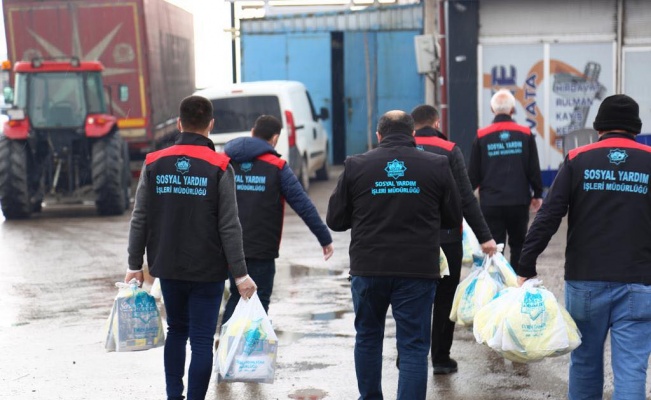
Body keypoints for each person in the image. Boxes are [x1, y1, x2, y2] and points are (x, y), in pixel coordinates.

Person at [518, 94, 651, 400]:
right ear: (635, 127)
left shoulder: (579, 159)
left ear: (599, 126)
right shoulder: (648, 160)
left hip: (585, 280)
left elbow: (549, 214)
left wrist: (526, 263)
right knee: (632, 368)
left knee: (585, 362)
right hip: (639, 280)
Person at [125, 95, 257, 400]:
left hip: (167, 265)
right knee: (200, 339)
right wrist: (240, 275)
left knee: (176, 330)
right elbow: (229, 225)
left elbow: (140, 217)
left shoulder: (154, 163)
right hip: (208, 269)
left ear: (178, 123)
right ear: (211, 124)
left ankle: (175, 396)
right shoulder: (220, 165)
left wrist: (134, 265)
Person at [326, 110, 462, 400]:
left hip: (369, 267)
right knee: (413, 345)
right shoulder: (437, 164)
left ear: (378, 136)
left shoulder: (356, 165)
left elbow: (335, 220)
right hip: (417, 269)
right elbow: (452, 218)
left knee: (368, 337)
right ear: (413, 135)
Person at [221, 115, 334, 324]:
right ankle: (250, 351)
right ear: (274, 138)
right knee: (259, 298)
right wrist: (324, 237)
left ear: (253, 132)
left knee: (236, 295)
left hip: (227, 246)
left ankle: (226, 345)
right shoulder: (276, 166)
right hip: (262, 247)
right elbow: (303, 204)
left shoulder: (226, 161)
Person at [411, 104, 497, 375]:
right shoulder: (449, 150)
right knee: (444, 297)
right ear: (436, 123)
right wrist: (485, 237)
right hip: (446, 239)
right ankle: (440, 359)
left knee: (411, 298)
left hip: (410, 240)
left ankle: (409, 356)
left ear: (413, 126)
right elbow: (466, 198)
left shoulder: (402, 149)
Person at [468, 88, 544, 271]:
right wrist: (538, 194)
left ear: (493, 110)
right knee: (519, 245)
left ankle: (497, 286)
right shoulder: (525, 134)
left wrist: (467, 201)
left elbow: (473, 174)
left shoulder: (482, 136)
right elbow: (533, 168)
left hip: (491, 203)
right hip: (518, 201)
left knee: (494, 248)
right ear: (512, 110)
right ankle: (517, 284)